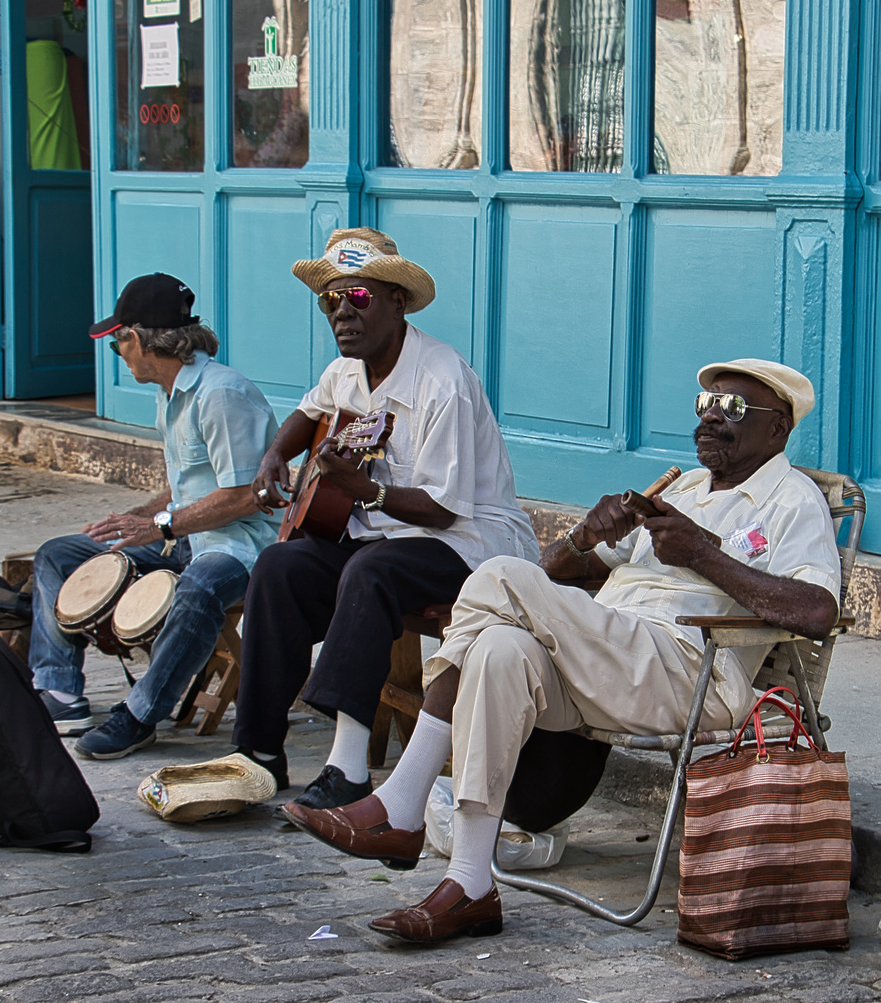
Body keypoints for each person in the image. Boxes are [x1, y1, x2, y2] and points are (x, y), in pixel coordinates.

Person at [284, 359, 841, 943]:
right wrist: (586, 536)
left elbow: (819, 613)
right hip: (609, 658)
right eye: (703, 407)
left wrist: (704, 556)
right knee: (498, 647)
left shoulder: (790, 498)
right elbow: (554, 571)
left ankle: (401, 802)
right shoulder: (680, 489)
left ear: (777, 427)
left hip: (689, 671)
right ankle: (471, 885)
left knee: (500, 573)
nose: (708, 420)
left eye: (730, 410)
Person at [213, 227, 539, 807]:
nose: (343, 312)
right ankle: (257, 751)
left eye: (358, 298)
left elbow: (442, 509)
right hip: (382, 536)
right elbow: (307, 411)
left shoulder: (443, 379)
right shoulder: (347, 371)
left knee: (370, 573)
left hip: (470, 545)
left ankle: (349, 769)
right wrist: (272, 457)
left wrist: (362, 491)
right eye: (331, 300)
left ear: (396, 301)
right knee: (279, 566)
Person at [30, 272, 279, 759]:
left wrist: (160, 525)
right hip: (183, 536)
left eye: (117, 342)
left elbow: (249, 494)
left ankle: (141, 714)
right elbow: (194, 480)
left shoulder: (221, 394)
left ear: (138, 338)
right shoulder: (170, 393)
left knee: (200, 585)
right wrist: (140, 515)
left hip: (240, 544)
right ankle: (60, 693)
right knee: (60, 556)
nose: (118, 353)